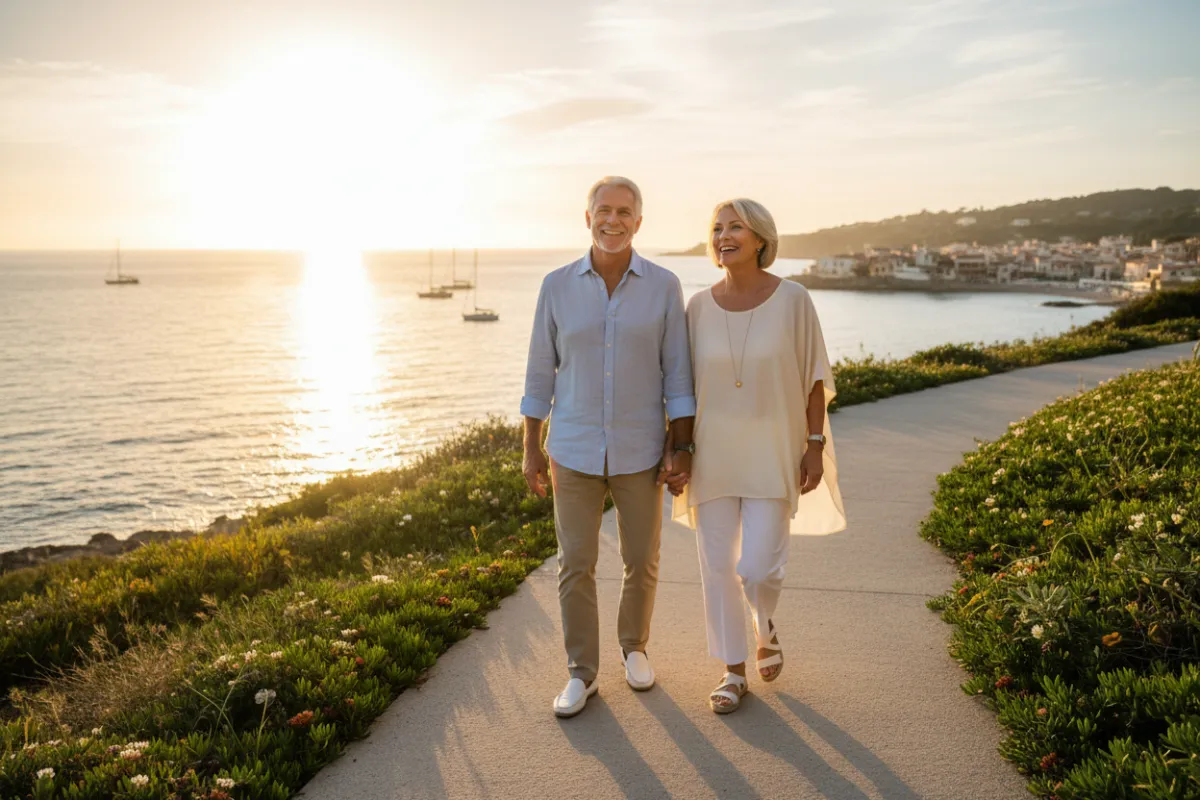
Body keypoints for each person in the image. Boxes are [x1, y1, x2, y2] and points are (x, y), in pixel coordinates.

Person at [521, 176, 696, 718]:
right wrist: (531, 446)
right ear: (588, 217)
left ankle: (634, 648)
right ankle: (581, 673)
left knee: (641, 557)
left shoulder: (664, 286)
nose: (613, 220)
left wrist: (682, 446)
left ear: (638, 222)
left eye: (624, 212)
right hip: (571, 447)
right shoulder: (556, 285)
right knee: (575, 562)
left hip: (640, 449)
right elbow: (538, 373)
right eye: (604, 210)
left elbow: (679, 375)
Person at [669, 198, 846, 714]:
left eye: (736, 227)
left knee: (759, 567)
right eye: (718, 227)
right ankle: (732, 670)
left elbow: (814, 377)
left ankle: (762, 621)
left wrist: (814, 446)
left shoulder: (794, 299)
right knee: (717, 566)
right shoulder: (697, 306)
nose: (725, 235)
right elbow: (681, 386)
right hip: (712, 451)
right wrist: (675, 449)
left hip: (774, 448)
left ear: (761, 239)